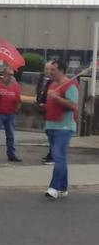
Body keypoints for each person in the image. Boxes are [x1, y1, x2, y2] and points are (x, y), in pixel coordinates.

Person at [44, 60, 79, 200]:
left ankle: (54, 187)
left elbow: (73, 106)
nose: (50, 72)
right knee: (60, 158)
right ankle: (63, 188)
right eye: (49, 69)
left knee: (58, 156)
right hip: (51, 126)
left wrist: (56, 97)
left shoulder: (71, 86)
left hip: (64, 127)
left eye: (53, 69)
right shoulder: (52, 85)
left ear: (61, 70)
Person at [0, 66, 22, 163]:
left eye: (12, 75)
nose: (10, 77)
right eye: (9, 74)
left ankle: (11, 154)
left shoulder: (16, 87)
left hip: (10, 114)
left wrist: (17, 109)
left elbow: (19, 100)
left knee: (10, 135)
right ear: (4, 75)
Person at [35, 61, 54, 164]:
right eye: (46, 69)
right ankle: (51, 153)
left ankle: (53, 154)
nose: (48, 71)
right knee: (48, 132)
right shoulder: (41, 78)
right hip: (42, 109)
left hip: (50, 110)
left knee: (51, 133)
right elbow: (39, 90)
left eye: (50, 69)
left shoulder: (54, 81)